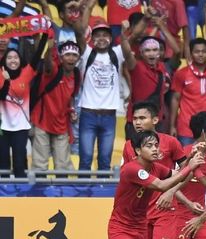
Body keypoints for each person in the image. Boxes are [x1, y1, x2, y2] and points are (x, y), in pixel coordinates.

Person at [121, 101, 186, 239]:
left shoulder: (171, 142)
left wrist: (172, 192)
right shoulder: (130, 146)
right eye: (135, 119)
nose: (137, 123)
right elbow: (135, 178)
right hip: (141, 214)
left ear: (155, 120)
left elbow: (184, 172)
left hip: (165, 209)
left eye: (142, 118)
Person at [77, 17, 134, 174]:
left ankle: (101, 196)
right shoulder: (87, 53)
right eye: (97, 35)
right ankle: (82, 194)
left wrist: (124, 34)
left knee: (105, 159)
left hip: (109, 116)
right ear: (92, 38)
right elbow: (79, 34)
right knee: (86, 158)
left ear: (110, 38)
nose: (101, 38)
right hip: (88, 114)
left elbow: (130, 42)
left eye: (105, 35)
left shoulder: (116, 53)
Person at [31, 39, 81, 176]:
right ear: (61, 57)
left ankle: (62, 194)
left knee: (63, 165)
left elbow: (71, 97)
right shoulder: (52, 70)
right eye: (67, 54)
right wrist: (49, 50)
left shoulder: (76, 75)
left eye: (74, 55)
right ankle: (38, 193)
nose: (71, 58)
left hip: (61, 124)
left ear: (78, 58)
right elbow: (47, 63)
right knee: (40, 165)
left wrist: (71, 110)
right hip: (42, 122)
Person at [0, 33, 47, 178]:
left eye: (15, 57)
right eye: (9, 58)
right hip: (2, 127)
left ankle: (20, 196)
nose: (13, 60)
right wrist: (7, 81)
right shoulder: (0, 74)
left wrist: (45, 34)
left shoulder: (27, 73)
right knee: (3, 163)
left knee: (20, 163)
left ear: (20, 60)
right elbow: (1, 96)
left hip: (21, 127)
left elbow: (38, 54)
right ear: (4, 61)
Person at [125, 29, 180, 141]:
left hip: (156, 121)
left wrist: (162, 27)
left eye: (155, 50)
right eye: (147, 51)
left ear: (159, 53)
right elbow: (126, 52)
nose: (151, 53)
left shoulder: (164, 67)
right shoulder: (136, 67)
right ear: (141, 53)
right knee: (133, 156)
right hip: (136, 121)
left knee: (155, 156)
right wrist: (122, 34)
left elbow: (178, 52)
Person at [170, 38, 206, 146]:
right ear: (190, 54)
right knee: (187, 161)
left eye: (204, 51)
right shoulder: (182, 74)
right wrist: (172, 126)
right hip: (186, 128)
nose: (200, 54)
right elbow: (175, 99)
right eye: (197, 52)